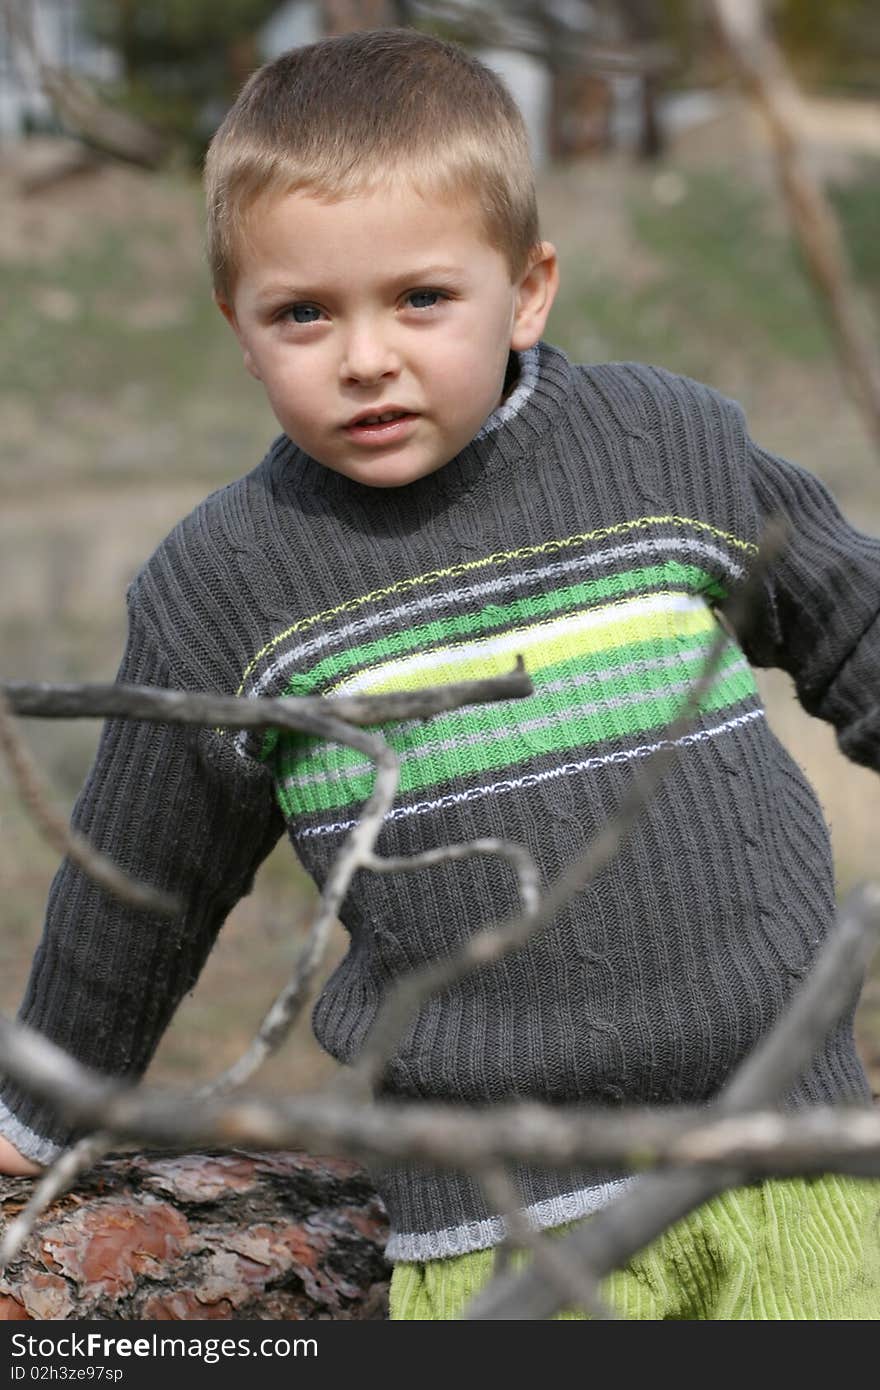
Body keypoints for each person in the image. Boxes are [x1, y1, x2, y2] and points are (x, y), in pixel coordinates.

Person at [1, 28, 878, 1320]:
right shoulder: (231, 583)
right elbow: (142, 888)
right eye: (303, 312)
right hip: (505, 1222)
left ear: (526, 289)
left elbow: (854, 619)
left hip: (792, 1147)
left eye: (421, 299)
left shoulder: (667, 447)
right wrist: (37, 1110)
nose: (366, 357)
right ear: (238, 327)